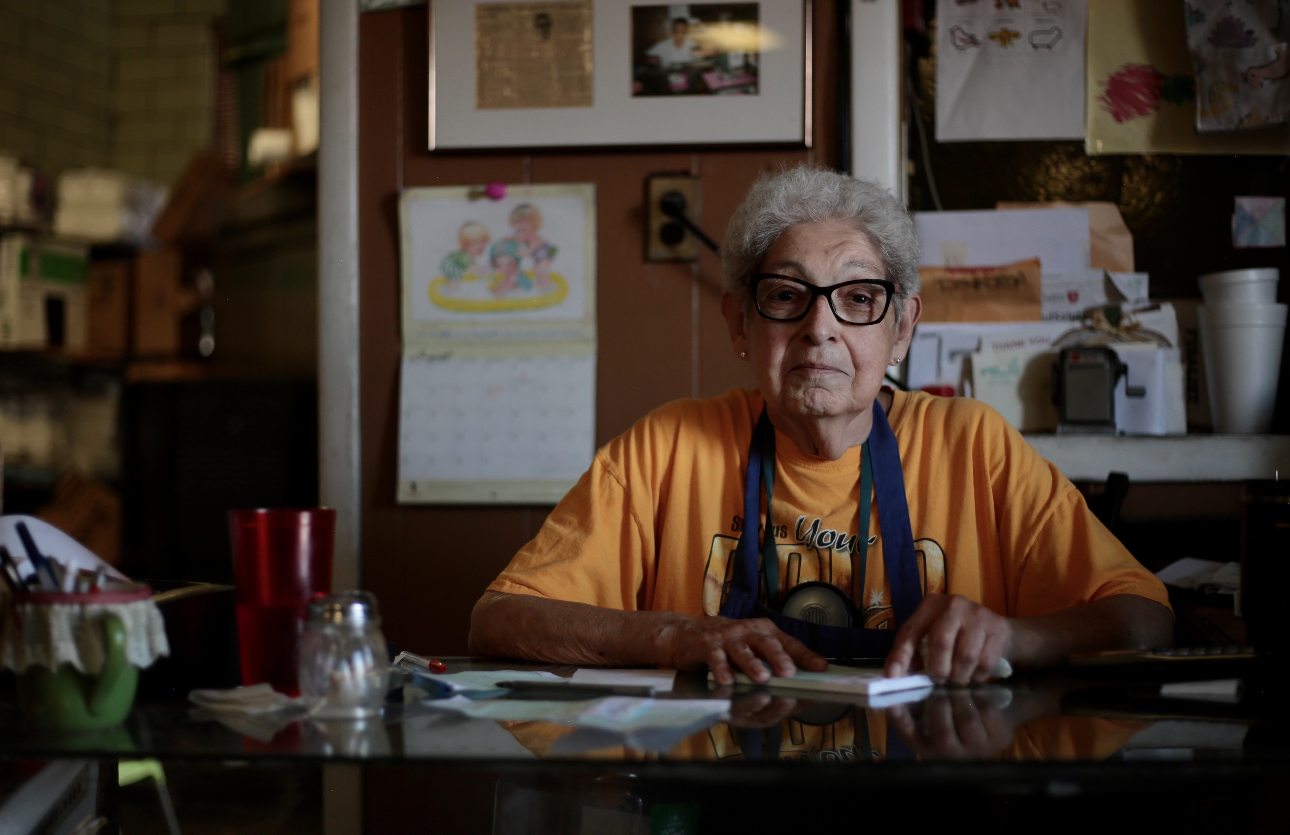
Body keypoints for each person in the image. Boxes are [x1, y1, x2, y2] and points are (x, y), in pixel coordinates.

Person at [470, 165, 1172, 686]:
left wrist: (1013, 637)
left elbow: (1145, 616)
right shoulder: (669, 447)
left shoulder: (972, 445)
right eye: (786, 296)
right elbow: (498, 618)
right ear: (741, 325)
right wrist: (675, 634)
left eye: (859, 298)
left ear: (901, 330)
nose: (820, 330)